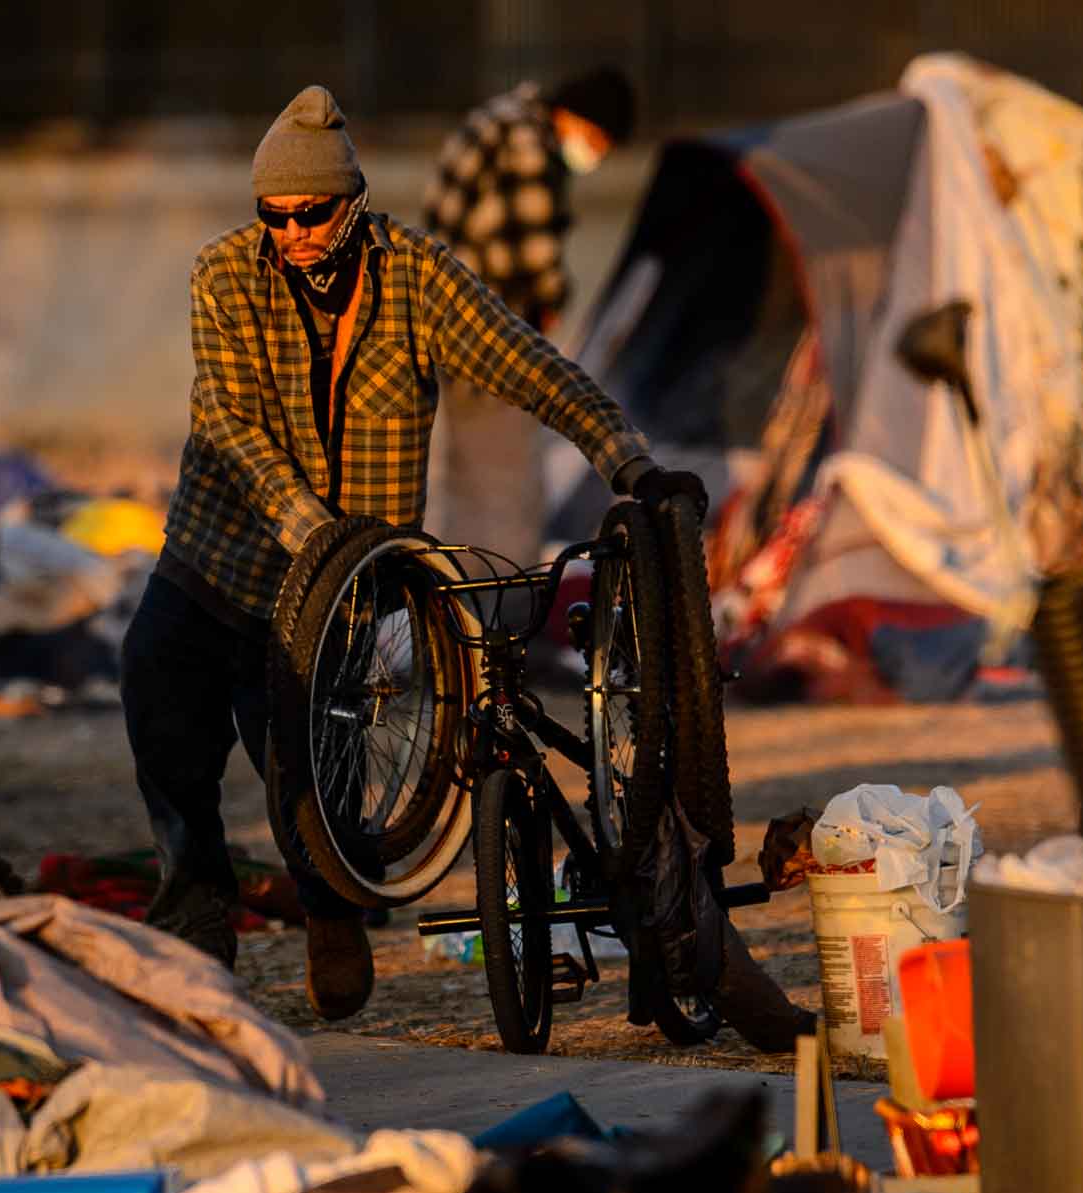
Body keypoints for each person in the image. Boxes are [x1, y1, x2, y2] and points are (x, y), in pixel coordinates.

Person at [121, 85, 700, 1021]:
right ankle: (196, 926)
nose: (294, 234)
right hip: (219, 558)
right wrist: (305, 520)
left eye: (312, 214)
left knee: (309, 777)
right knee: (158, 711)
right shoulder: (223, 275)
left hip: (346, 590)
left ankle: (332, 912)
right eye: (275, 216)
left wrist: (624, 457)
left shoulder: (418, 277)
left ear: (349, 203)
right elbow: (225, 421)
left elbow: (528, 364)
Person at [421, 66, 637, 565]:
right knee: (508, 487)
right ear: (581, 119)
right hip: (489, 344)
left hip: (447, 329)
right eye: (599, 142)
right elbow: (536, 258)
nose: (596, 156)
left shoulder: (500, 118)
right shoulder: (526, 143)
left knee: (465, 481)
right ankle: (502, 614)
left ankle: (453, 606)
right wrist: (551, 305)